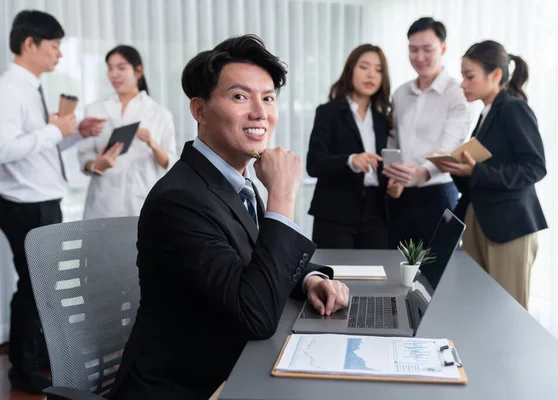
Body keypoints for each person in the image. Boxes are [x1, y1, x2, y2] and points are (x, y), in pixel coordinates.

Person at [109, 34, 350, 400]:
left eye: (268, 98)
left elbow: (257, 258)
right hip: (189, 386)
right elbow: (255, 316)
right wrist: (282, 197)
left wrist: (311, 278)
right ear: (200, 110)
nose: (261, 113)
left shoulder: (234, 181)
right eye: (240, 97)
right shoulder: (180, 199)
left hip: (236, 369)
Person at [0, 10, 105, 394]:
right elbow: (4, 149)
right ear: (31, 43)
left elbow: (40, 148)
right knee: (33, 286)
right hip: (25, 203)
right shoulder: (10, 88)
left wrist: (74, 133)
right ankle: (22, 370)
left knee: (43, 286)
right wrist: (52, 129)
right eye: (55, 45)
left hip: (42, 198)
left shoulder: (30, 86)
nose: (60, 54)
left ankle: (40, 355)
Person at [436, 40, 547, 309]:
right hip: (480, 221)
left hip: (508, 226)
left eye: (469, 76)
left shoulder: (513, 108)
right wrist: (457, 169)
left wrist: (477, 170)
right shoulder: (487, 113)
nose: (463, 84)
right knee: (480, 308)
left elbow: (534, 167)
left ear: (495, 75)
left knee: (508, 312)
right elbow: (481, 174)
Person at [383, 17, 471, 248]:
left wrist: (422, 173)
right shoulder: (401, 94)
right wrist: (394, 175)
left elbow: (451, 145)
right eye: (413, 50)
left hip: (438, 195)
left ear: (443, 48)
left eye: (427, 49)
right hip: (400, 197)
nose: (419, 57)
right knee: (395, 268)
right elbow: (394, 139)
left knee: (438, 275)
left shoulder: (457, 93)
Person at [306, 44, 402, 249]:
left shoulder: (383, 119)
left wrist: (393, 184)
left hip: (376, 213)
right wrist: (351, 160)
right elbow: (314, 164)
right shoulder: (328, 112)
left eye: (378, 70)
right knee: (336, 278)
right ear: (350, 70)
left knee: (378, 277)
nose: (371, 75)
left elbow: (383, 165)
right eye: (364, 67)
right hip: (335, 212)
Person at [78, 45, 177, 219]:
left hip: (141, 201)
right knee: (99, 245)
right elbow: (83, 155)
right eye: (110, 68)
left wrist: (151, 143)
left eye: (121, 67)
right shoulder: (95, 110)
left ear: (138, 71)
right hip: (103, 202)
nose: (114, 74)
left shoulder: (159, 113)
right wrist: (96, 165)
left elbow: (169, 162)